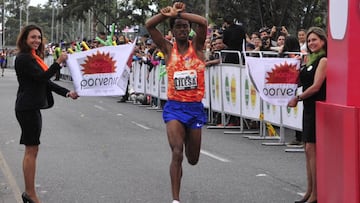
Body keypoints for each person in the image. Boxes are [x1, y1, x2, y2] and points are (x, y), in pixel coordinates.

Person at [145, 2, 207, 203]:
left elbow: (204, 23)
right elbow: (149, 25)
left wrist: (182, 14)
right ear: (171, 31)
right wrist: (167, 14)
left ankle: (179, 174)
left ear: (189, 29)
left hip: (195, 109)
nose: (182, 29)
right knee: (177, 152)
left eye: (185, 26)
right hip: (174, 108)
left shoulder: (196, 47)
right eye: (178, 26)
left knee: (193, 159)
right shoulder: (167, 49)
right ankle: (175, 199)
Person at [14, 24, 79, 203]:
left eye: (39, 37)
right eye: (32, 37)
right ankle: (29, 193)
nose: (36, 40)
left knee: (33, 149)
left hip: (32, 107)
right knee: (31, 149)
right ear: (25, 39)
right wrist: (58, 62)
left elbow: (45, 83)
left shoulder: (34, 58)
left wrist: (67, 93)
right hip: (26, 108)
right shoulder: (23, 59)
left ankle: (29, 192)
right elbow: (43, 78)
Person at [288, 27, 327, 203]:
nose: (311, 43)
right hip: (308, 109)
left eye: (314, 40)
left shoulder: (323, 60)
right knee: (307, 149)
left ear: (323, 41)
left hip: (317, 107)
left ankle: (316, 194)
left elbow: (316, 86)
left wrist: (298, 97)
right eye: (309, 41)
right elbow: (300, 80)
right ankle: (309, 190)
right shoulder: (309, 60)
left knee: (312, 150)